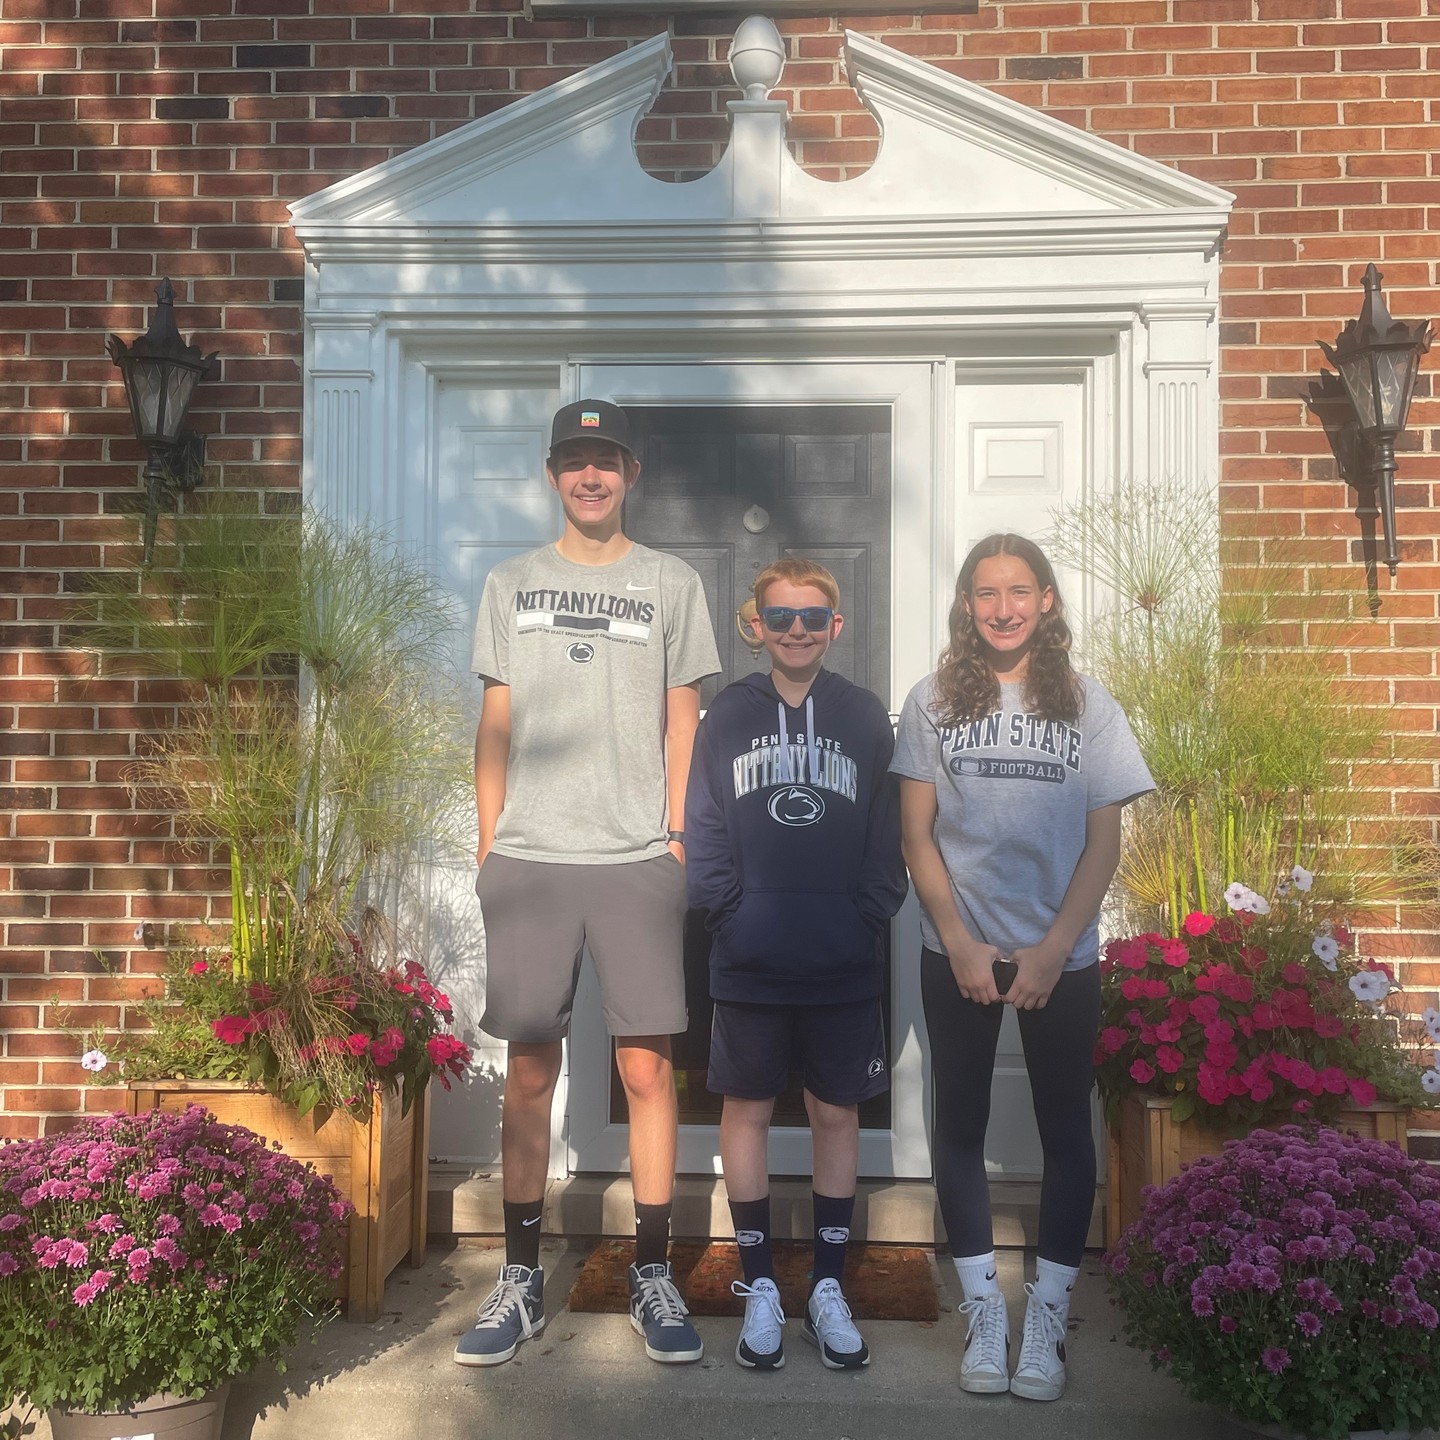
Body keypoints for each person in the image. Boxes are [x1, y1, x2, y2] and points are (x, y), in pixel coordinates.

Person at [456, 399, 721, 1369]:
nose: (590, 475)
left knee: (648, 1070)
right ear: (554, 474)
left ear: (630, 473)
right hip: (531, 858)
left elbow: (682, 721)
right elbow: (494, 724)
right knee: (532, 1071)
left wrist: (680, 836)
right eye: (574, 460)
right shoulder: (510, 582)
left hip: (636, 856)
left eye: (605, 459)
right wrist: (490, 846)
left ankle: (652, 1272)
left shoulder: (670, 583)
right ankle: (521, 1281)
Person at [890, 534, 1152, 1403]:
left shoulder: (1088, 705)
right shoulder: (931, 703)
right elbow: (916, 835)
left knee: (1064, 1135)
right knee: (957, 1129)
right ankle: (983, 1312)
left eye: (1019, 591)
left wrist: (1051, 951)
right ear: (967, 606)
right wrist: (961, 943)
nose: (1002, 608)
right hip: (957, 951)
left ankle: (1045, 1314)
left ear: (1046, 601)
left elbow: (1105, 841)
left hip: (1060, 956)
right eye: (985, 593)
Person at [684, 558, 907, 1372]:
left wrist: (867, 915)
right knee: (743, 1113)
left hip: (842, 961)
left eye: (813, 617)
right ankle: (759, 1284)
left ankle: (825, 1285)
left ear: (836, 626)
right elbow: (703, 823)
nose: (798, 631)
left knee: (835, 1116)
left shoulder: (862, 717)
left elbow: (891, 830)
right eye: (780, 617)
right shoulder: (727, 717)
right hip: (748, 961)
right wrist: (727, 913)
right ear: (756, 626)